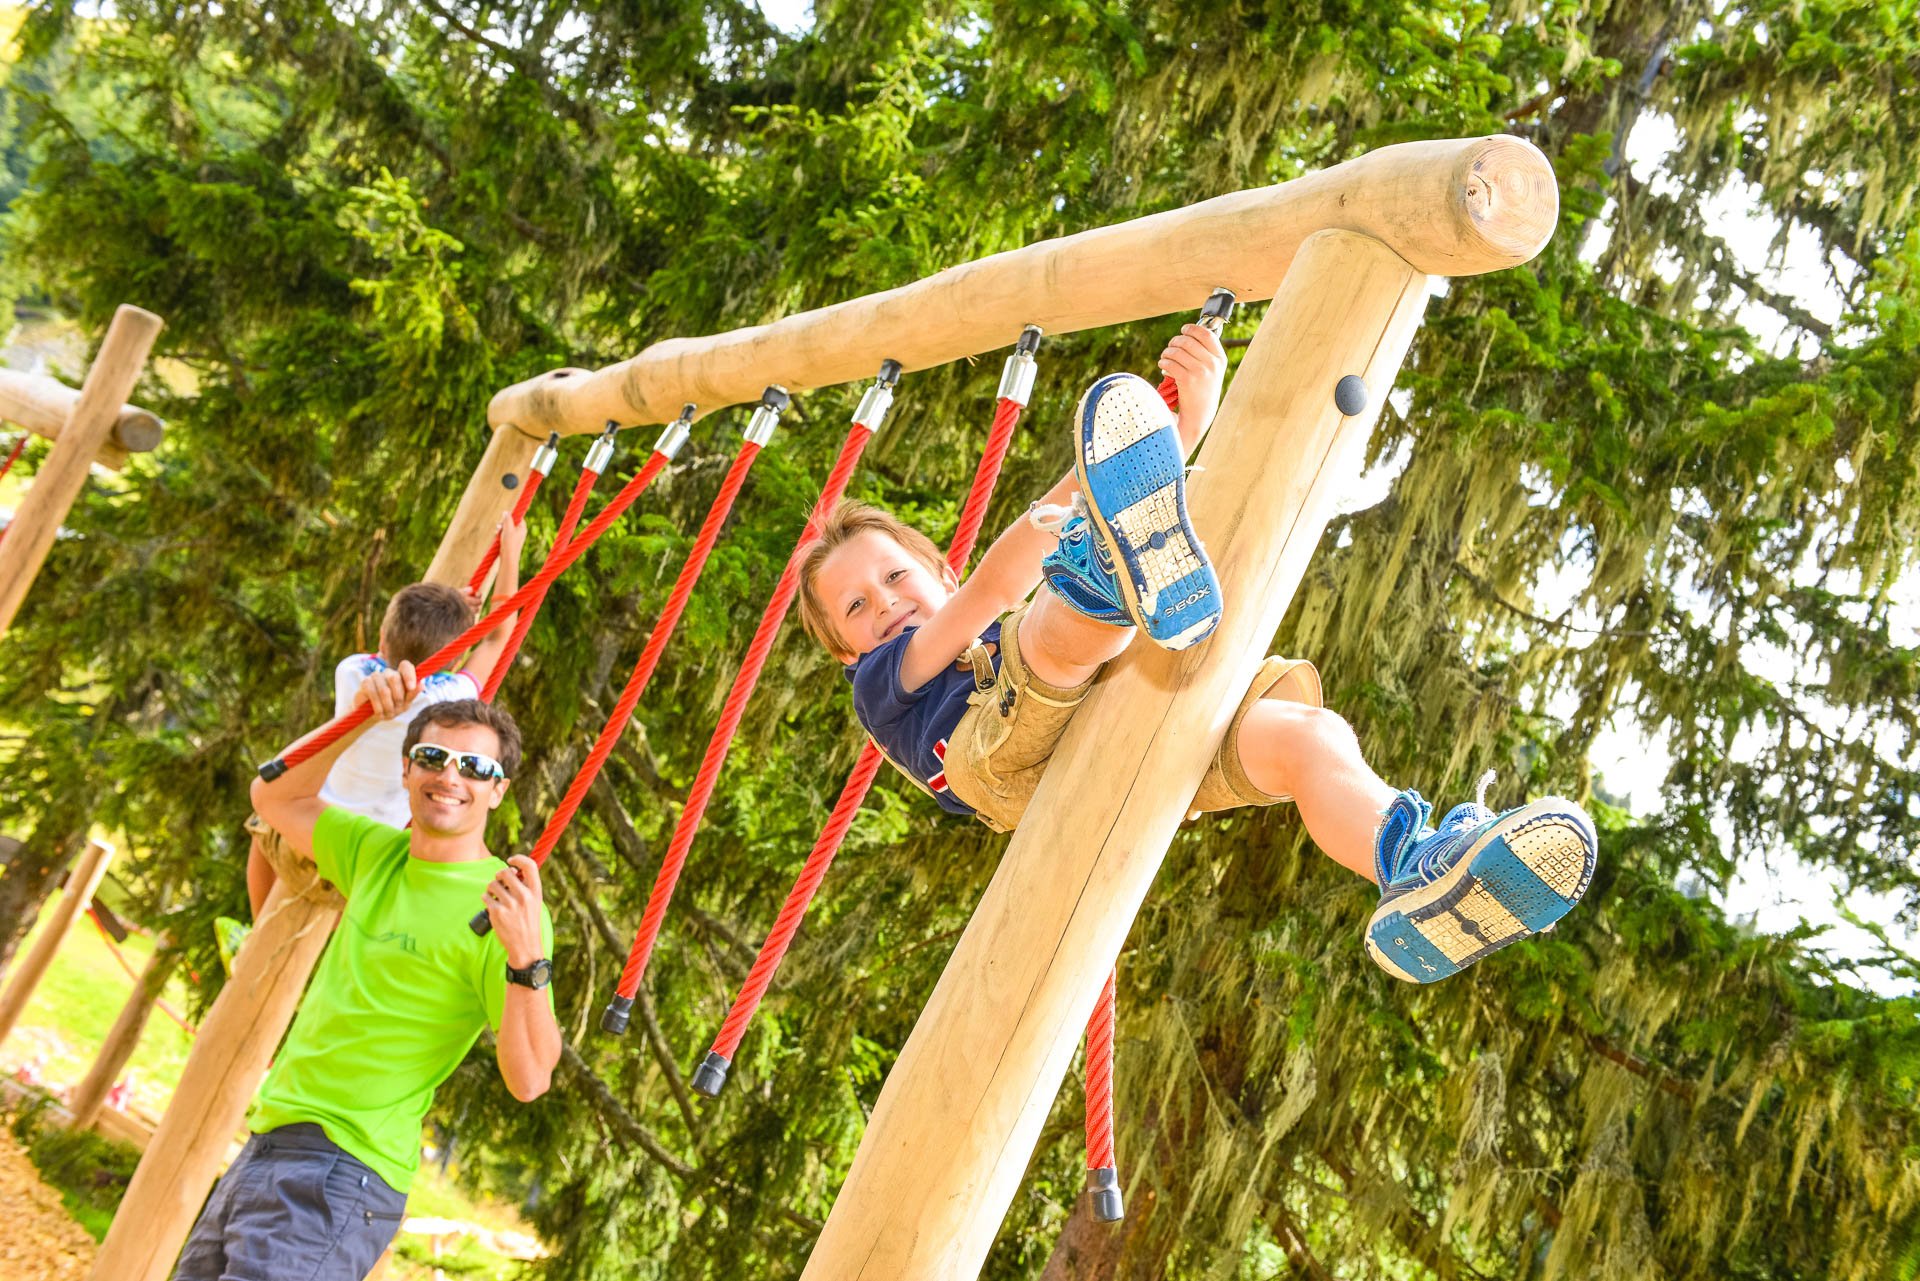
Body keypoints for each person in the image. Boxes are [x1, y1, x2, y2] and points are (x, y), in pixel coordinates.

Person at [797, 324, 1597, 983]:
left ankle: (1415, 867)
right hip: (1004, 759)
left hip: (1126, 734)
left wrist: (1185, 425)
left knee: (1306, 737)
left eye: (895, 576)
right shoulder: (886, 681)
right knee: (1045, 638)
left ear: (936, 566)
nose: (887, 604)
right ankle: (1105, 569)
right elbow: (992, 588)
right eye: (858, 609)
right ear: (848, 653)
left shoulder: (953, 605)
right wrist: (1141, 456)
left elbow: (1003, 572)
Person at [177, 682, 559, 1281]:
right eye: (433, 758)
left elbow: (531, 1078)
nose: (449, 777)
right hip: (267, 1145)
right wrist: (360, 719)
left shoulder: (505, 910)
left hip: (345, 1174)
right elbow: (273, 793)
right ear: (407, 770)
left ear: (496, 789)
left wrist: (527, 961)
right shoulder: (374, 854)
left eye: (474, 767)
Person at [245, 517, 526, 916]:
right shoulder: (449, 698)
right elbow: (499, 634)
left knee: (262, 821)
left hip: (299, 829)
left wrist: (447, 619)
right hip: (360, 857)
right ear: (455, 658)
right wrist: (511, 553)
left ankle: (256, 921)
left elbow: (403, 651)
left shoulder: (354, 672)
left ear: (381, 637)